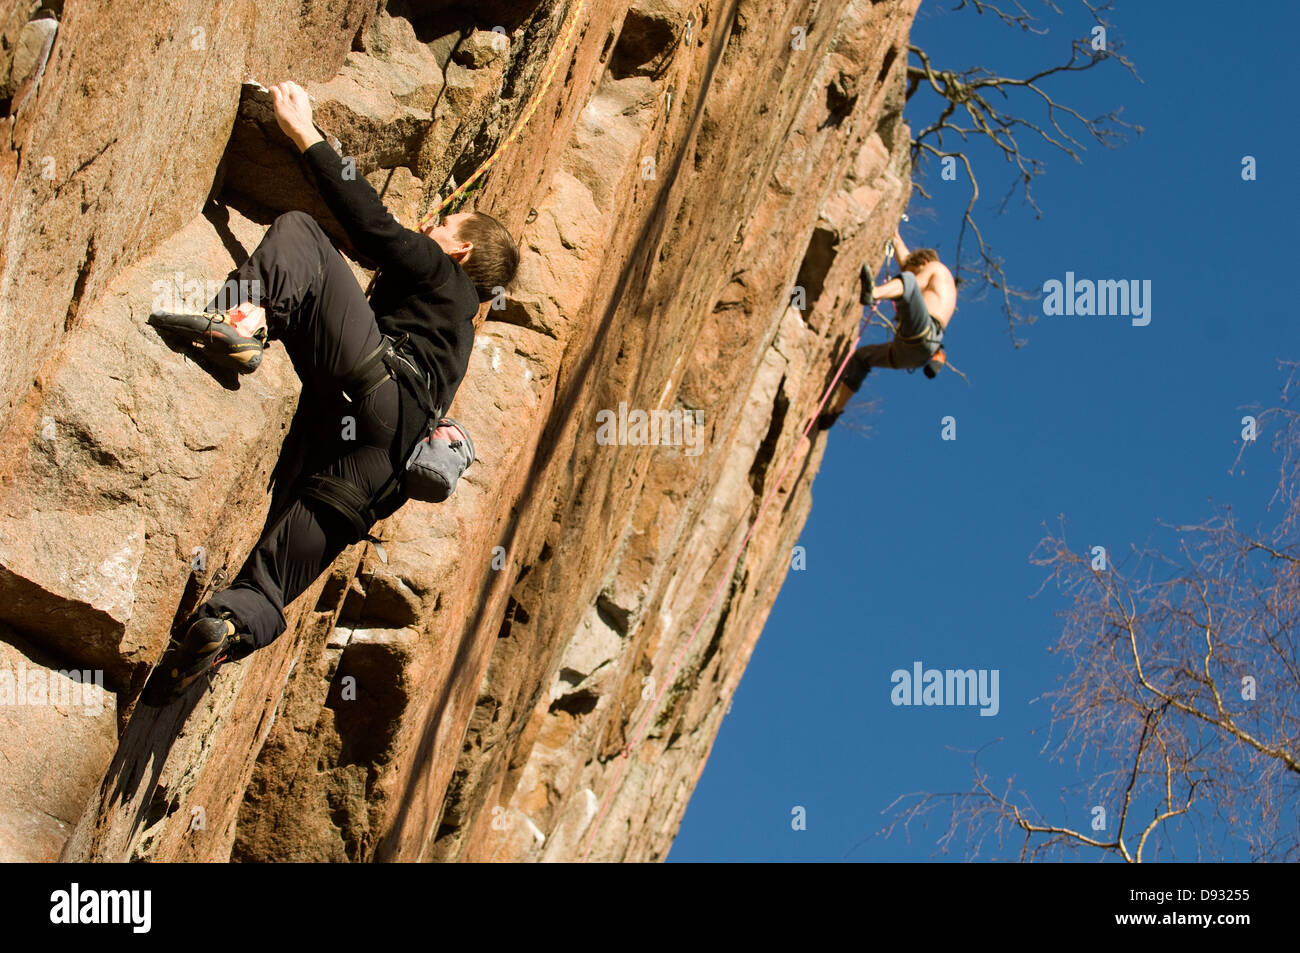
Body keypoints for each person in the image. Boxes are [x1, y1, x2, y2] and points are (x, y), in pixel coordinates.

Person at [141, 81, 518, 705]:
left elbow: (370, 226)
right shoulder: (457, 347)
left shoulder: (445, 274)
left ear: (461, 247)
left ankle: (243, 320)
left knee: (302, 235)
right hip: (375, 473)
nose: (435, 226)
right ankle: (226, 627)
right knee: (267, 585)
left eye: (445, 223)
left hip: (371, 389)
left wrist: (304, 133)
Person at [819, 229, 957, 429]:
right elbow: (907, 262)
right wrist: (894, 232)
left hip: (926, 331)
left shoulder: (935, 267)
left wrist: (883, 291)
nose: (904, 271)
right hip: (911, 353)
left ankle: (873, 292)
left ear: (923, 263)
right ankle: (833, 412)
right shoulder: (937, 281)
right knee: (862, 357)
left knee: (908, 284)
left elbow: (912, 282)